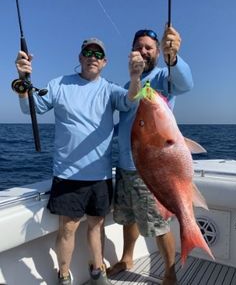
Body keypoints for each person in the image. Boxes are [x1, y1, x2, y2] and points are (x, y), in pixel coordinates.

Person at [15, 38, 144, 285]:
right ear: (80, 57)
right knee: (68, 229)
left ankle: (98, 272)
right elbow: (30, 108)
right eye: (88, 52)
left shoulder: (110, 89)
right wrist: (23, 80)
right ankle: (64, 275)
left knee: (97, 226)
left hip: (101, 175)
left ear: (104, 62)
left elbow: (131, 100)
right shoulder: (59, 84)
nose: (92, 56)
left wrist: (136, 76)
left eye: (98, 53)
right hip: (67, 175)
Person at [107, 26, 194, 285]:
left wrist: (174, 59)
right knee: (127, 217)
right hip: (124, 167)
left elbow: (185, 84)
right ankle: (127, 257)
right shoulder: (127, 85)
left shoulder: (162, 78)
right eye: (138, 47)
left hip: (150, 169)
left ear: (157, 52)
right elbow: (123, 124)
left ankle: (169, 271)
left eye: (149, 47)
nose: (143, 51)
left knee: (157, 225)